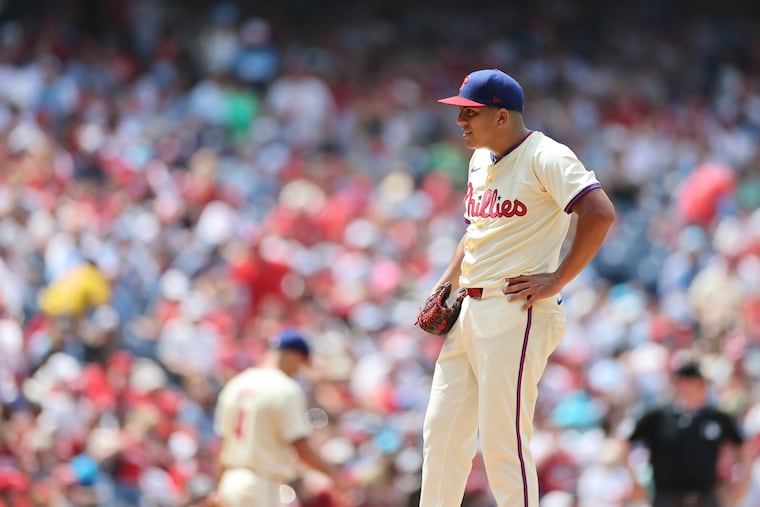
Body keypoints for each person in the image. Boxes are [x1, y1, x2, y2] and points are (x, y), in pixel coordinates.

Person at [418, 69, 616, 507]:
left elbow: (599, 212)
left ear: (502, 115)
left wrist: (559, 278)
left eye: (470, 112)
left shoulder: (547, 156)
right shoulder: (480, 158)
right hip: (469, 308)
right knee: (441, 431)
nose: (460, 122)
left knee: (502, 440)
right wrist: (447, 280)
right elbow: (477, 229)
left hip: (514, 309)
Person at [212, 328, 348, 506]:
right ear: (292, 355)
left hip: (230, 483)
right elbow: (300, 446)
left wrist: (218, 488)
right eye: (300, 363)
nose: (299, 370)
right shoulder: (286, 389)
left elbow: (221, 445)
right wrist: (334, 476)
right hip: (261, 486)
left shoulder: (236, 385)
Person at [626, 360, 752, 507]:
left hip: (706, 499)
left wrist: (742, 483)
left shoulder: (716, 417)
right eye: (695, 383)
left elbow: (742, 445)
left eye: (702, 384)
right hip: (667, 499)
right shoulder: (658, 416)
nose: (701, 388)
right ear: (680, 384)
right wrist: (633, 480)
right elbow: (625, 441)